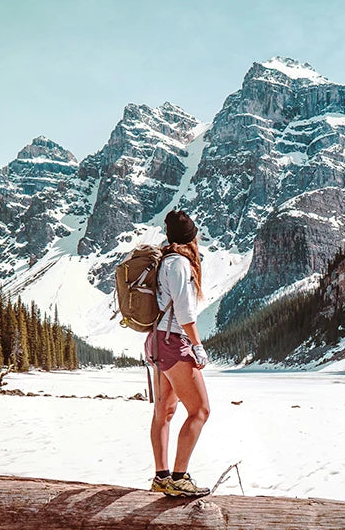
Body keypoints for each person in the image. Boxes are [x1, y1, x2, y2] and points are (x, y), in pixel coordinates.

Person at [146, 209, 211, 498]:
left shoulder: (166, 261)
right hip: (174, 341)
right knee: (199, 410)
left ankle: (161, 477)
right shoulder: (181, 264)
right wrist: (197, 347)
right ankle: (179, 478)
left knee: (165, 411)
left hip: (159, 340)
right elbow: (185, 312)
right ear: (191, 238)